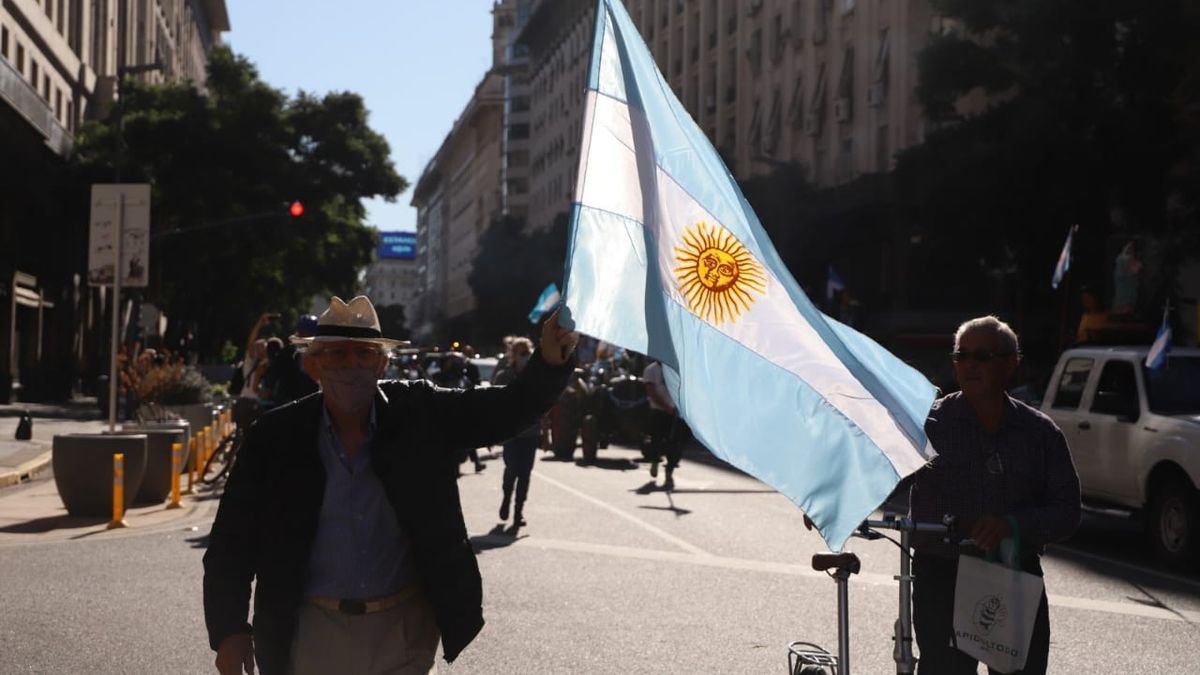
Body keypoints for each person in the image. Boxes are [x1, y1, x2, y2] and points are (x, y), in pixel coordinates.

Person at [203, 296, 577, 675]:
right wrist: (229, 628)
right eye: (337, 354)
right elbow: (231, 540)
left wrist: (550, 360)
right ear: (314, 364)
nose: (351, 365)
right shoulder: (275, 437)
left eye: (364, 354)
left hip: (403, 632)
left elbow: (508, 409)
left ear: (382, 364)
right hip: (310, 631)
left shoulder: (419, 411)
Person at [908, 316, 1081, 674]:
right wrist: (831, 500)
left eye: (982, 356)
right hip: (942, 575)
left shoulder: (1040, 432)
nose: (970, 365)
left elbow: (1067, 511)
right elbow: (879, 472)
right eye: (962, 355)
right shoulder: (928, 424)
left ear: (1011, 363)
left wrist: (1012, 525)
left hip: (1014, 574)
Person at [491, 337, 539, 527]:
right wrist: (491, 431)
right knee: (511, 470)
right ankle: (506, 498)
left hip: (531, 432)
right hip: (510, 432)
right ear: (514, 355)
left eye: (528, 353)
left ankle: (519, 511)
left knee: (525, 473)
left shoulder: (535, 376)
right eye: (522, 353)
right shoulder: (504, 376)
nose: (526, 357)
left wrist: (547, 434)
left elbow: (543, 405)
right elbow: (494, 404)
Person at [258, 315, 320, 408]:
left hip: (310, 403)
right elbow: (274, 373)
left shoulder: (320, 354)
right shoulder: (287, 353)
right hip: (287, 402)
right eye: (304, 334)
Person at [642, 360, 682, 490]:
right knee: (657, 440)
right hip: (658, 412)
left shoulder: (674, 369)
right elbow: (651, 392)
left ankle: (669, 471)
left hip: (674, 412)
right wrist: (665, 407)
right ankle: (655, 461)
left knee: (675, 444)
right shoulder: (651, 370)